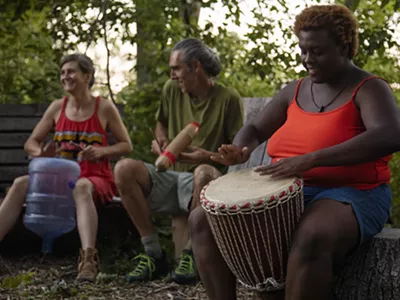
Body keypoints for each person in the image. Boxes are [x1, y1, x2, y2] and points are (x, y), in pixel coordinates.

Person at [189, 4, 400, 300]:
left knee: (312, 233)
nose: (307, 59)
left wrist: (312, 159)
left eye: (317, 51)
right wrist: (240, 148)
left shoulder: (369, 88)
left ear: (344, 46)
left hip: (354, 192)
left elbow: (389, 135)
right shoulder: (295, 90)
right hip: (287, 190)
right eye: (303, 50)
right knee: (202, 220)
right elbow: (256, 129)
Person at [114, 38, 244, 284]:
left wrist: (205, 155)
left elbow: (236, 155)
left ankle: (191, 255)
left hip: (208, 183)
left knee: (203, 171)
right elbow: (161, 122)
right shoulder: (171, 90)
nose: (172, 75)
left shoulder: (228, 99)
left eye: (176, 69)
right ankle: (153, 253)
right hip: (170, 177)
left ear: (194, 66)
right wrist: (161, 140)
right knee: (124, 168)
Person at [0, 53, 132, 282]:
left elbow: (126, 145)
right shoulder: (56, 108)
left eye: (71, 71)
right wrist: (40, 154)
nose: (65, 76)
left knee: (81, 186)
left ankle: (89, 259)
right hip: (58, 178)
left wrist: (101, 151)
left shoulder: (104, 107)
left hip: (94, 177)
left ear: (87, 75)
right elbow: (31, 142)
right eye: (62, 73)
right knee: (21, 183)